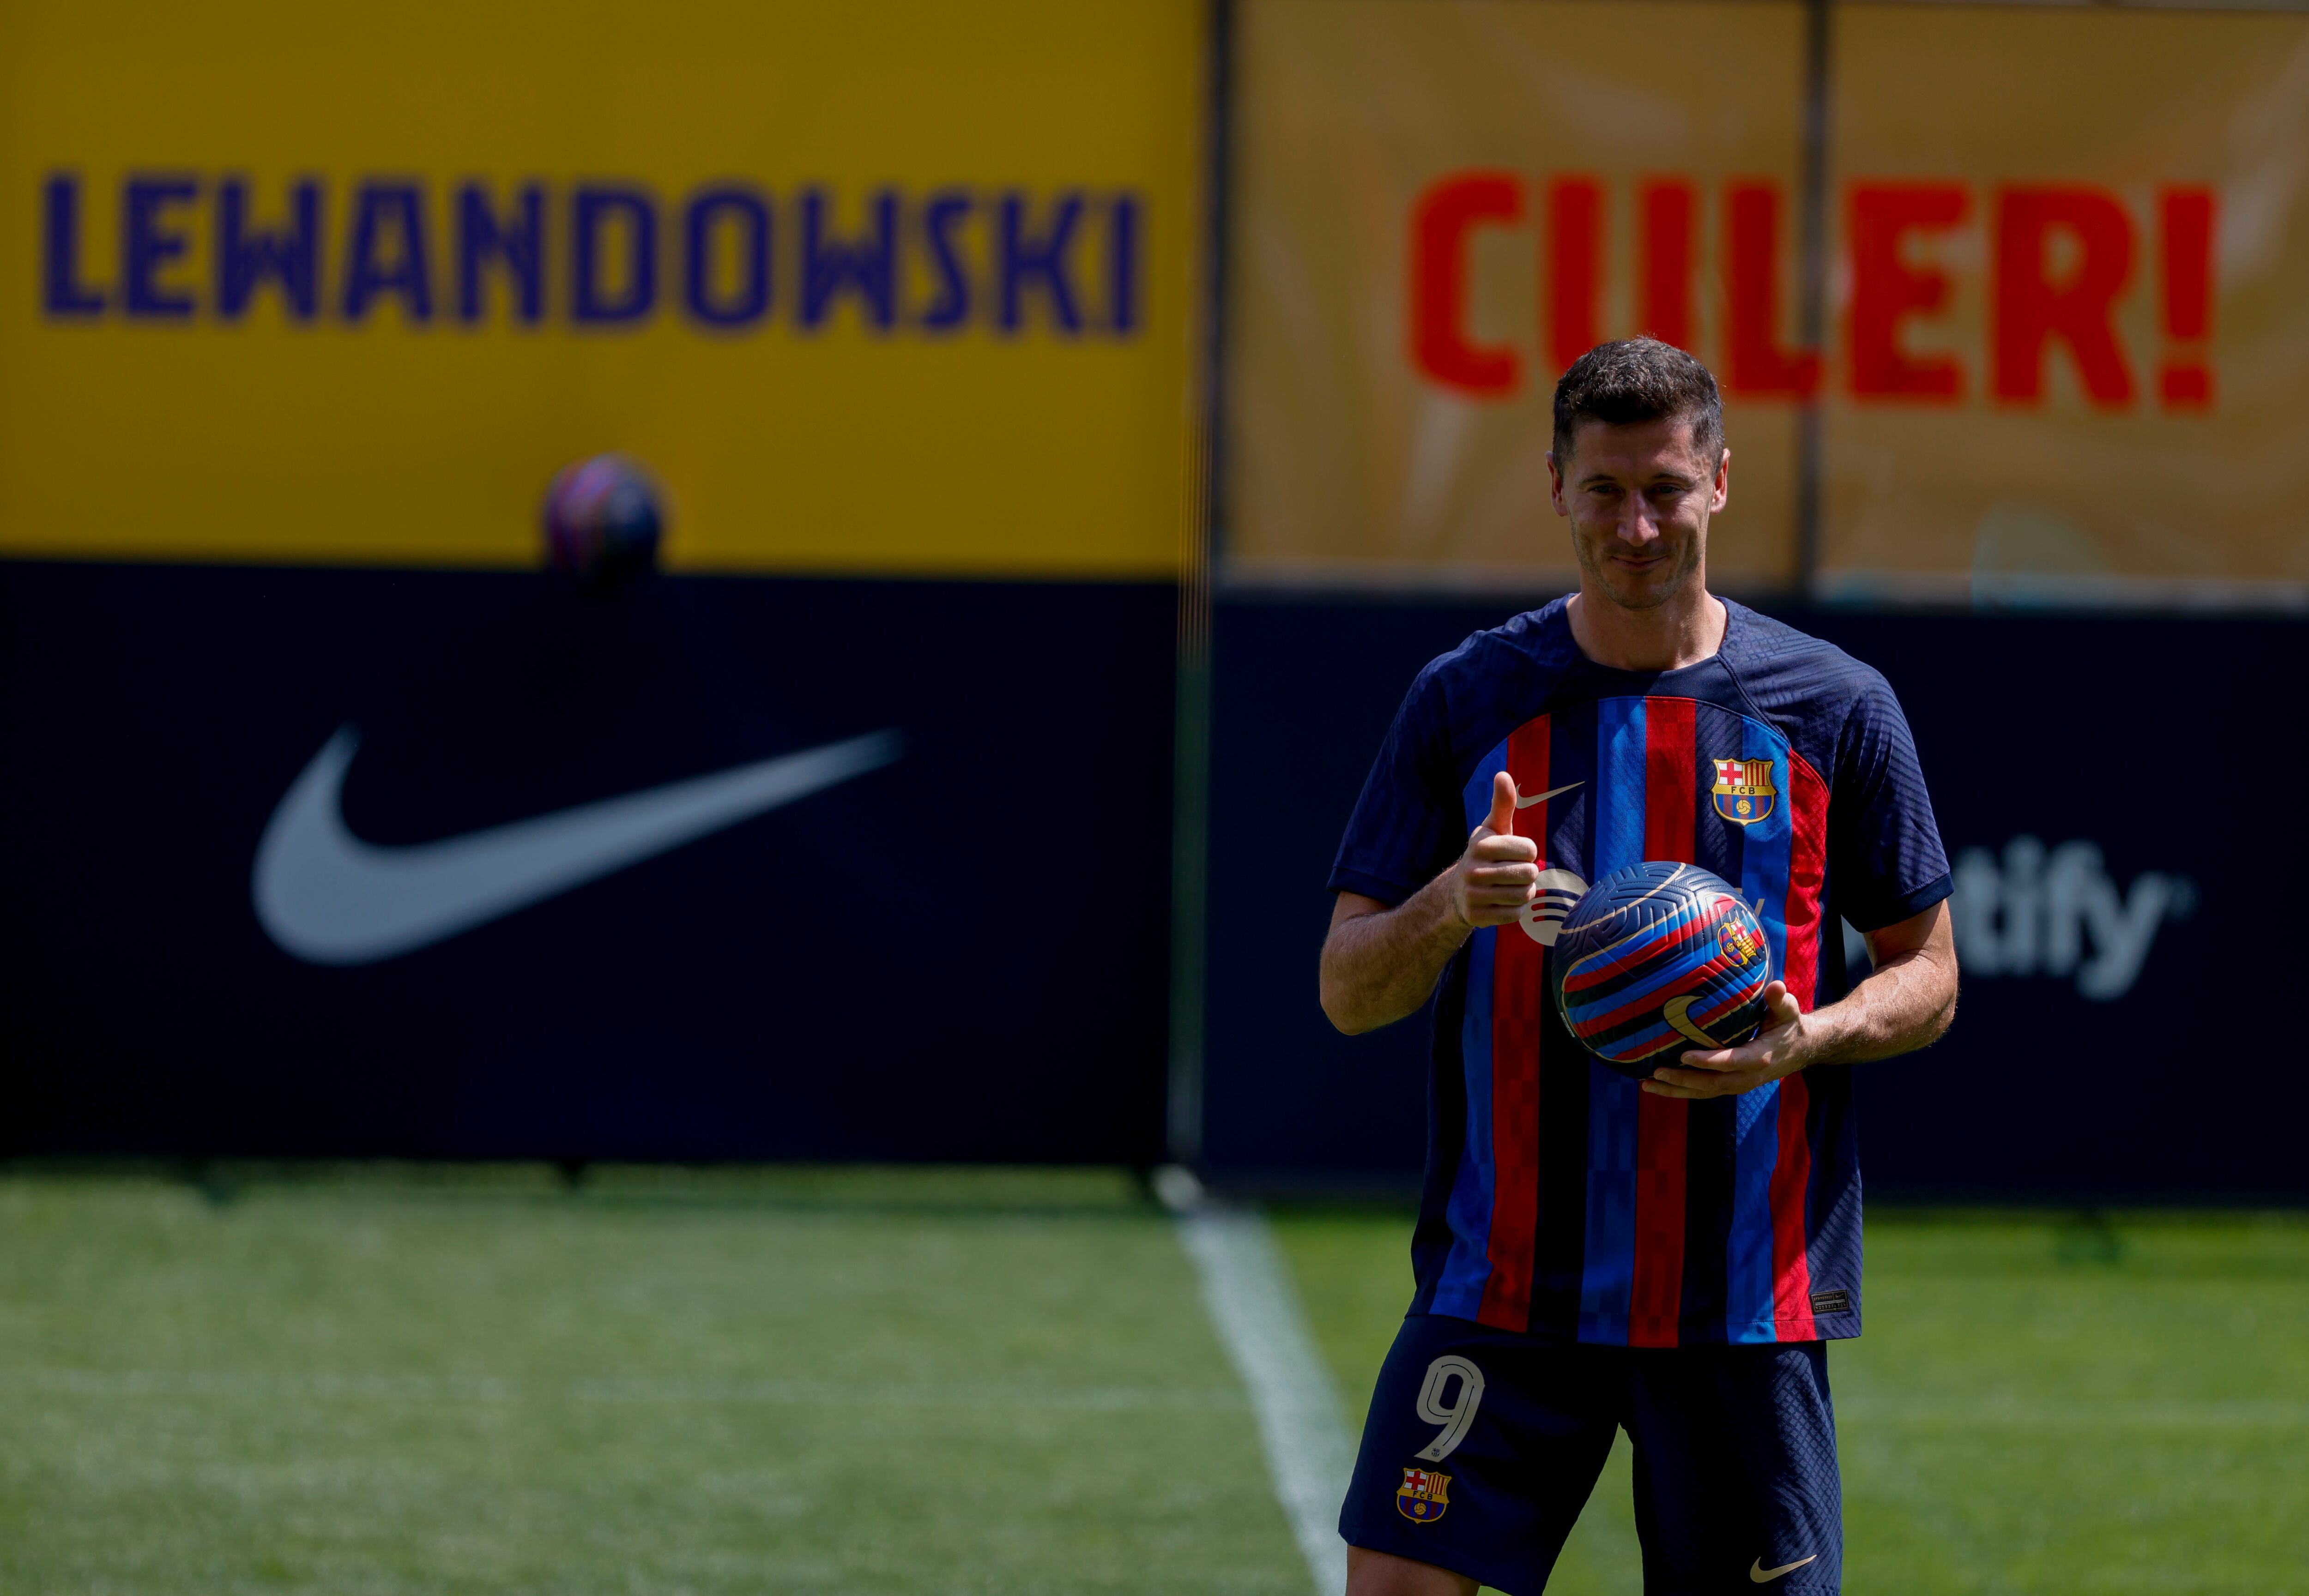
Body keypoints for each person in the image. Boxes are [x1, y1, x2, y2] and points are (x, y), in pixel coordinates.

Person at [1318, 339, 1959, 1596]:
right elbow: (1348, 988)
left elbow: (1929, 973)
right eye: (1606, 489)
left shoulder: (1835, 710)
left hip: (1734, 1307)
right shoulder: (1467, 700)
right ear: (1556, 486)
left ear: (1720, 481)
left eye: (1665, 486)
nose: (1637, 522)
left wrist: (1811, 1037)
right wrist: (1452, 901)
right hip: (1502, 1286)